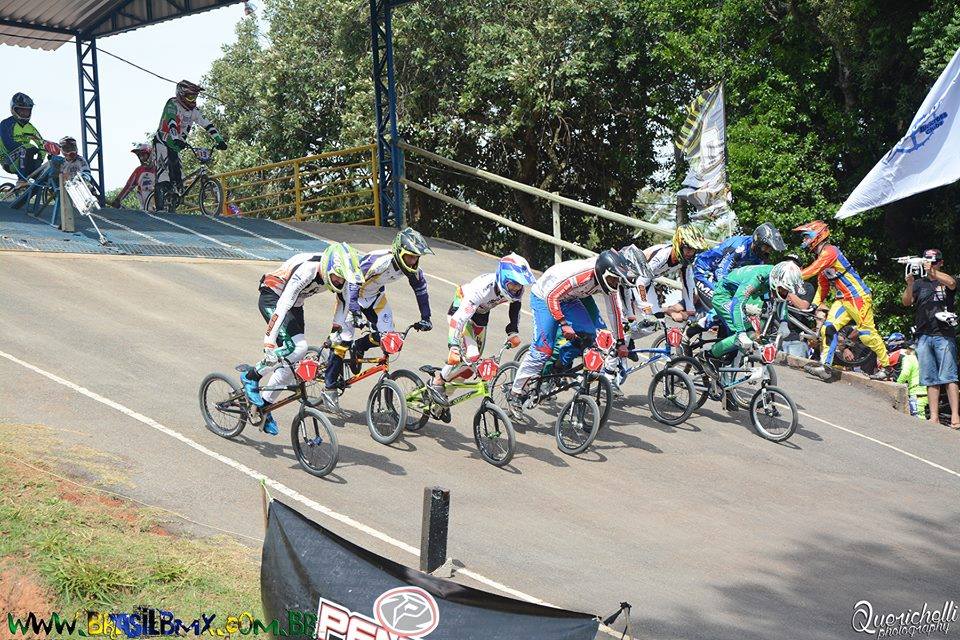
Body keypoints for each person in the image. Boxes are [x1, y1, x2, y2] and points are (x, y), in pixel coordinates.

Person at [241, 243, 362, 435]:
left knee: (294, 360)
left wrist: (334, 332)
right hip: (274, 297)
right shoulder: (308, 270)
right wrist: (269, 343)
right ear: (328, 267)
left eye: (343, 279)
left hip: (295, 303)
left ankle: (263, 406)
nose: (340, 282)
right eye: (337, 277)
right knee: (296, 348)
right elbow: (282, 307)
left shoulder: (342, 276)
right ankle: (251, 376)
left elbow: (344, 304)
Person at [509, 250, 639, 409]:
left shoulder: (609, 282)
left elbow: (615, 312)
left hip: (569, 299)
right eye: (612, 280)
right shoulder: (582, 275)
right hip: (545, 296)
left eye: (617, 281)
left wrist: (620, 342)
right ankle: (515, 392)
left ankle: (558, 366)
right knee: (543, 350)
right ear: (603, 272)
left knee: (590, 336)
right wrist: (563, 324)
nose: (614, 284)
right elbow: (552, 297)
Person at [322, 228, 434, 411]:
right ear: (399, 252)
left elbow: (421, 291)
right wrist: (355, 312)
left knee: (390, 339)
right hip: (351, 296)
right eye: (410, 256)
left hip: (375, 297)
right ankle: (329, 388)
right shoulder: (380, 262)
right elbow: (352, 282)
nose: (413, 261)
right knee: (343, 342)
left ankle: (360, 346)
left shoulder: (413, 270)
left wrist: (426, 317)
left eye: (416, 257)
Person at [426, 253, 536, 405]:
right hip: (461, 310)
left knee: (471, 367)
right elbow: (459, 319)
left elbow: (515, 307)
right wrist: (453, 346)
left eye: (520, 284)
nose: (517, 288)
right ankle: (437, 381)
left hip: (481, 314)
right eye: (514, 284)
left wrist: (513, 331)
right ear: (504, 279)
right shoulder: (482, 289)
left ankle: (443, 396)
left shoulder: (515, 290)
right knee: (471, 353)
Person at [793, 220, 891, 382]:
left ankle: (887, 367)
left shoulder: (830, 252)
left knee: (867, 334)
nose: (804, 241)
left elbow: (814, 269)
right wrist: (815, 305)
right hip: (842, 299)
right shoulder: (821, 257)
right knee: (828, 329)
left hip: (858, 297)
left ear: (816, 235)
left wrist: (792, 274)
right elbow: (823, 286)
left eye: (806, 237)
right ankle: (825, 367)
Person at [902, 248, 959, 428]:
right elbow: (906, 302)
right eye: (927, 261)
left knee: (949, 376)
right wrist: (910, 284)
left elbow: (951, 283)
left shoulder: (947, 279)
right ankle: (933, 417)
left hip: (944, 334)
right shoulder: (920, 284)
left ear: (940, 263)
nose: (929, 265)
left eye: (933, 262)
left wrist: (932, 271)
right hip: (924, 334)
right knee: (930, 377)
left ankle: (955, 417)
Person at [709, 261, 808, 361]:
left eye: (787, 291)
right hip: (725, 296)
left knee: (754, 331)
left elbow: (782, 300)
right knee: (747, 333)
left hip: (741, 295)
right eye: (783, 289)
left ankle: (729, 355)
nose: (783, 293)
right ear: (776, 281)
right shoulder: (757, 278)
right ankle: (708, 355)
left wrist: (784, 322)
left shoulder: (777, 277)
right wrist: (741, 333)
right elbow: (737, 304)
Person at [153, 80, 226, 202]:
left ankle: (175, 195)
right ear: (181, 94)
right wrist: (176, 138)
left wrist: (220, 140)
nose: (193, 100)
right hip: (163, 141)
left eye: (195, 97)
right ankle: (160, 207)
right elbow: (172, 122)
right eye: (190, 96)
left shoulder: (194, 111)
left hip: (176, 145)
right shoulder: (172, 104)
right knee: (163, 174)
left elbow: (207, 124)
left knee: (179, 175)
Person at [622, 224, 709, 325]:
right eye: (688, 248)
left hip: (645, 282)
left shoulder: (684, 262)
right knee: (628, 322)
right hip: (628, 281)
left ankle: (630, 338)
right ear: (679, 245)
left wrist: (690, 311)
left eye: (693, 249)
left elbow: (688, 285)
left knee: (657, 322)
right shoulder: (662, 256)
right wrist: (646, 308)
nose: (690, 252)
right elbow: (640, 281)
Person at [692, 222, 786, 309]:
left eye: (770, 249)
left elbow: (759, 278)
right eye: (766, 247)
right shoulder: (740, 247)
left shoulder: (760, 255)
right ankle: (705, 323)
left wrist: (766, 299)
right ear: (758, 242)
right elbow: (721, 272)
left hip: (719, 273)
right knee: (722, 304)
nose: (768, 251)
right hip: (704, 270)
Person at [0, 93, 47, 185]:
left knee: (43, 173)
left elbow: (42, 143)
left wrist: (40, 158)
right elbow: (8, 143)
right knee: (28, 147)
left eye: (27, 111)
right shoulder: (6, 124)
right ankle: (21, 180)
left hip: (25, 158)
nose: (24, 113)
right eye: (21, 111)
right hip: (7, 160)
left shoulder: (30, 128)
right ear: (14, 110)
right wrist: (28, 147)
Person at [111, 143, 157, 210]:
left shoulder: (158, 170)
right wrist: (118, 199)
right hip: (143, 209)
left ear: (150, 155)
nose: (141, 158)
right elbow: (128, 186)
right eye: (140, 156)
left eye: (144, 155)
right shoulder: (139, 170)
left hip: (158, 210)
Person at [895, 340, 927, 420]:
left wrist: (898, 383)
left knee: (918, 418)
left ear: (908, 349)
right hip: (928, 391)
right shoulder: (925, 359)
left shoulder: (909, 358)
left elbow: (905, 373)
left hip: (916, 391)